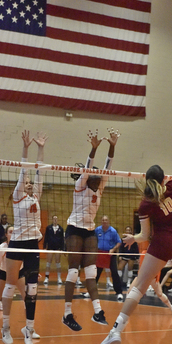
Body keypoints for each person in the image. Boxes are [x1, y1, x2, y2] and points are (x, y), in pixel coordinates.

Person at [100, 142, 172, 344]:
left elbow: (144, 236)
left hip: (164, 242)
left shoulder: (145, 204)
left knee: (138, 286)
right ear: (164, 178)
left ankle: (116, 330)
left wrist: (131, 238)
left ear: (147, 180)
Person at [63, 128, 120, 332]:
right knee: (72, 272)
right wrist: (93, 148)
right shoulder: (81, 184)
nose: (97, 176)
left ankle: (97, 312)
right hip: (74, 229)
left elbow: (108, 165)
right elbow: (88, 167)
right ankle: (67, 314)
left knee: (91, 272)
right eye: (94, 175)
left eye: (98, 175)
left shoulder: (101, 186)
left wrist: (112, 146)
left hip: (88, 231)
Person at [1, 130, 48, 344]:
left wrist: (41, 148)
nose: (29, 183)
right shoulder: (18, 196)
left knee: (32, 289)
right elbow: (24, 170)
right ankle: (6, 327)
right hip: (17, 244)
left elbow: (39, 173)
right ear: (21, 186)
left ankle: (28, 328)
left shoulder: (35, 196)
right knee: (10, 286)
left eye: (30, 182)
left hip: (32, 244)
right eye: (26, 181)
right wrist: (26, 148)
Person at [0, 226, 40, 338]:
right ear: (6, 234)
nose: (12, 233)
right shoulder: (2, 247)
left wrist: (33, 273)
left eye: (14, 232)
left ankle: (30, 328)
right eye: (10, 232)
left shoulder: (21, 244)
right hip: (4, 274)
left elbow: (29, 262)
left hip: (19, 273)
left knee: (27, 298)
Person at [95, 215, 123, 300]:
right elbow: (93, 239)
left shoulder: (113, 231)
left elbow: (119, 242)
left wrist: (113, 249)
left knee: (114, 272)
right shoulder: (97, 230)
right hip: (100, 253)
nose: (104, 221)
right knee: (96, 273)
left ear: (108, 221)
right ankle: (90, 292)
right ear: (101, 221)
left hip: (110, 254)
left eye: (106, 220)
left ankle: (119, 292)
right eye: (103, 220)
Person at [43, 215, 64, 285]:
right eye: (54, 219)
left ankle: (59, 278)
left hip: (58, 248)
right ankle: (46, 278)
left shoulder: (61, 229)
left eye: (56, 219)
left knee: (58, 263)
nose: (55, 220)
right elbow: (46, 237)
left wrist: (63, 249)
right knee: (48, 263)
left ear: (57, 220)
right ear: (52, 220)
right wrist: (44, 246)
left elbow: (62, 240)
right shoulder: (48, 228)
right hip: (50, 248)